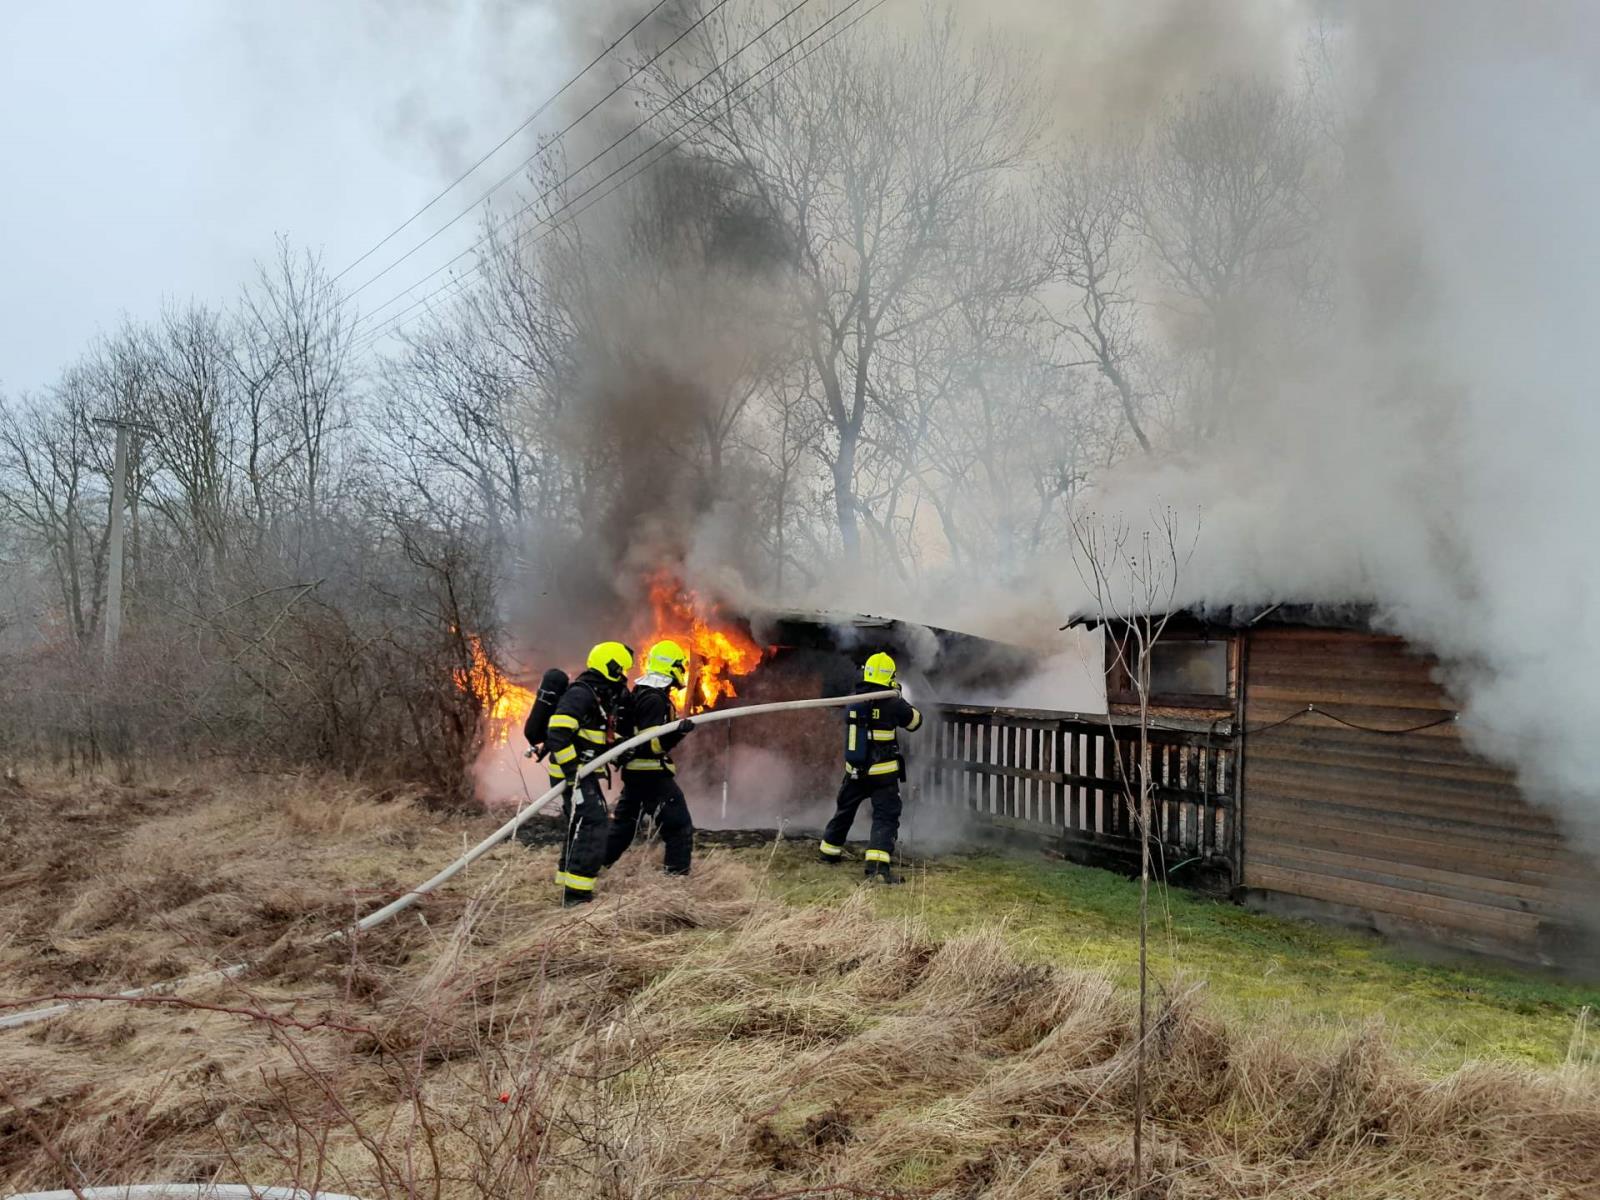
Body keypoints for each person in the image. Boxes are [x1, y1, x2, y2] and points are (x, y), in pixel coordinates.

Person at [817, 651, 922, 883]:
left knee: (844, 811)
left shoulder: (855, 699)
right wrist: (901, 698)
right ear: (889, 676)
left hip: (854, 772)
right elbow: (915, 722)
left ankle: (828, 852)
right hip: (882, 776)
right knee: (885, 817)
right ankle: (877, 869)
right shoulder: (893, 703)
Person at [544, 640, 633, 905]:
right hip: (572, 771)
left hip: (583, 770)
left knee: (581, 823)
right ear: (612, 667)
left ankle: (566, 879)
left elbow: (597, 736)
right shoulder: (581, 693)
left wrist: (620, 750)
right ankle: (576, 896)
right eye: (622, 669)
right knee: (593, 822)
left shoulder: (602, 694)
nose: (625, 675)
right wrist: (572, 772)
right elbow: (558, 732)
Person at [603, 639, 697, 876]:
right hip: (651, 775)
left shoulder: (643, 693)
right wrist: (677, 733)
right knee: (679, 827)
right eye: (680, 665)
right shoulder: (655, 699)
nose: (682, 671)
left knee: (623, 829)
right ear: (671, 666)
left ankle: (589, 868)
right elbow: (650, 744)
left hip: (636, 774)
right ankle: (676, 882)